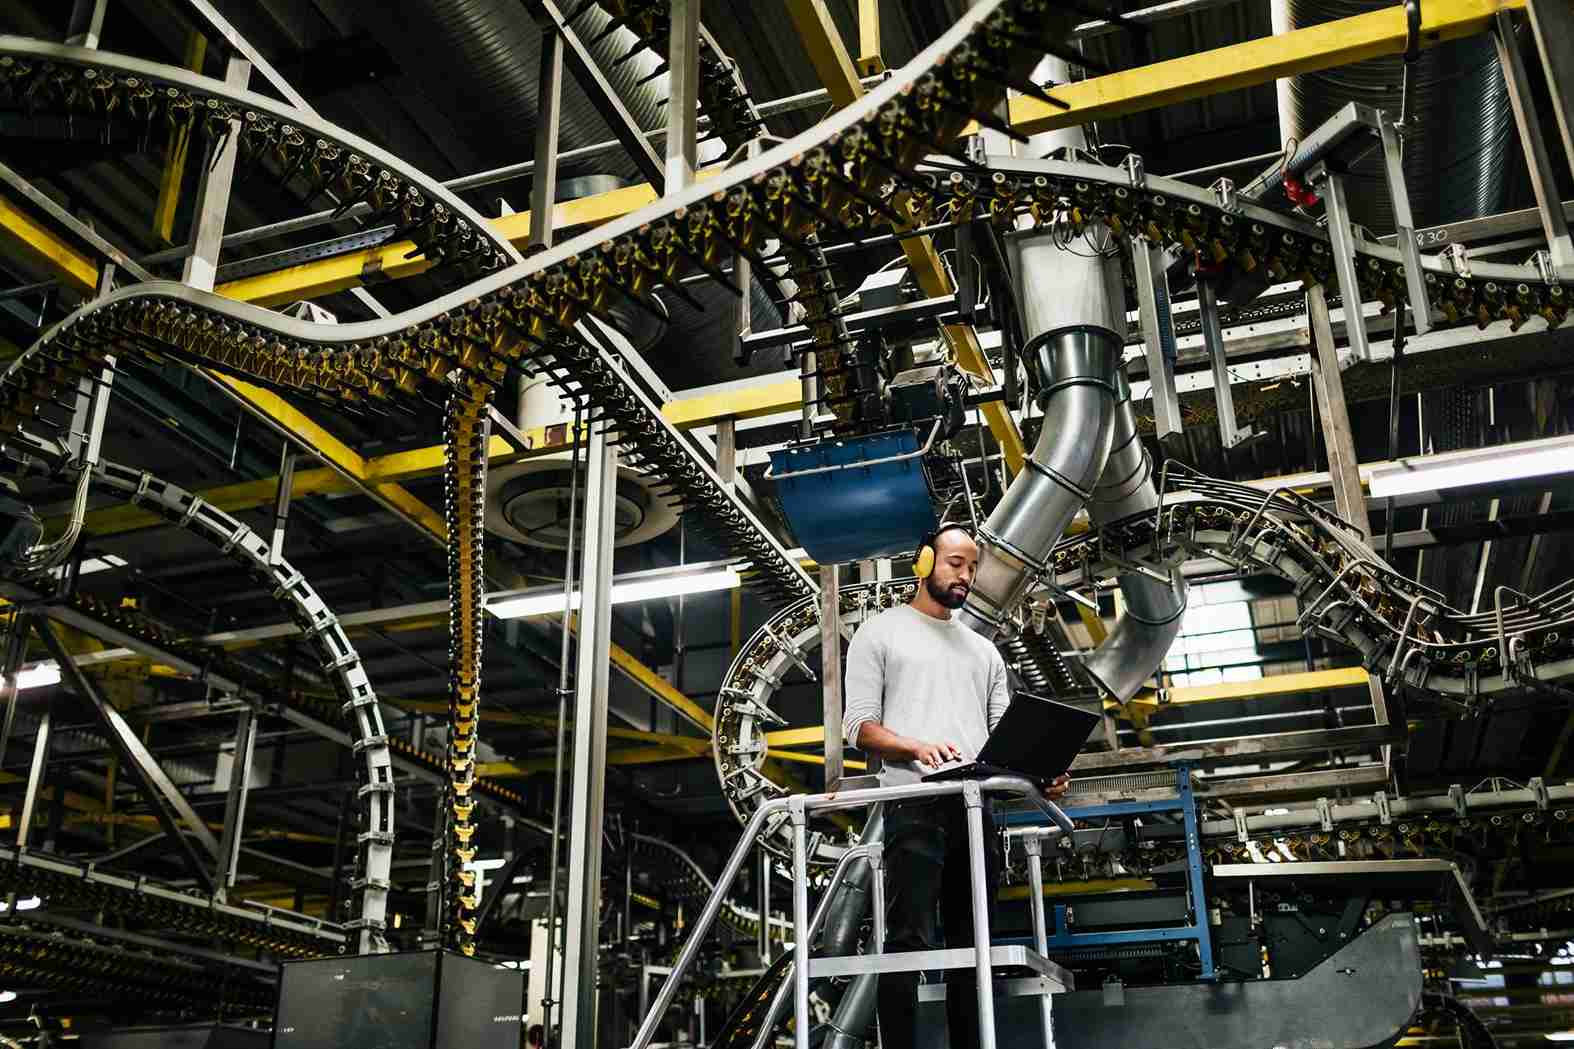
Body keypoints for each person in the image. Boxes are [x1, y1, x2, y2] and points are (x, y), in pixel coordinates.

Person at [843, 523, 1069, 1049]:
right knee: (907, 940)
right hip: (915, 803)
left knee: (975, 946)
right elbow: (860, 728)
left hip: (975, 812)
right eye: (955, 563)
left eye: (972, 566)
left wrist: (1039, 776)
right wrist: (916, 746)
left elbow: (1000, 744)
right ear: (924, 562)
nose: (966, 575)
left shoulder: (983, 653)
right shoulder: (881, 633)